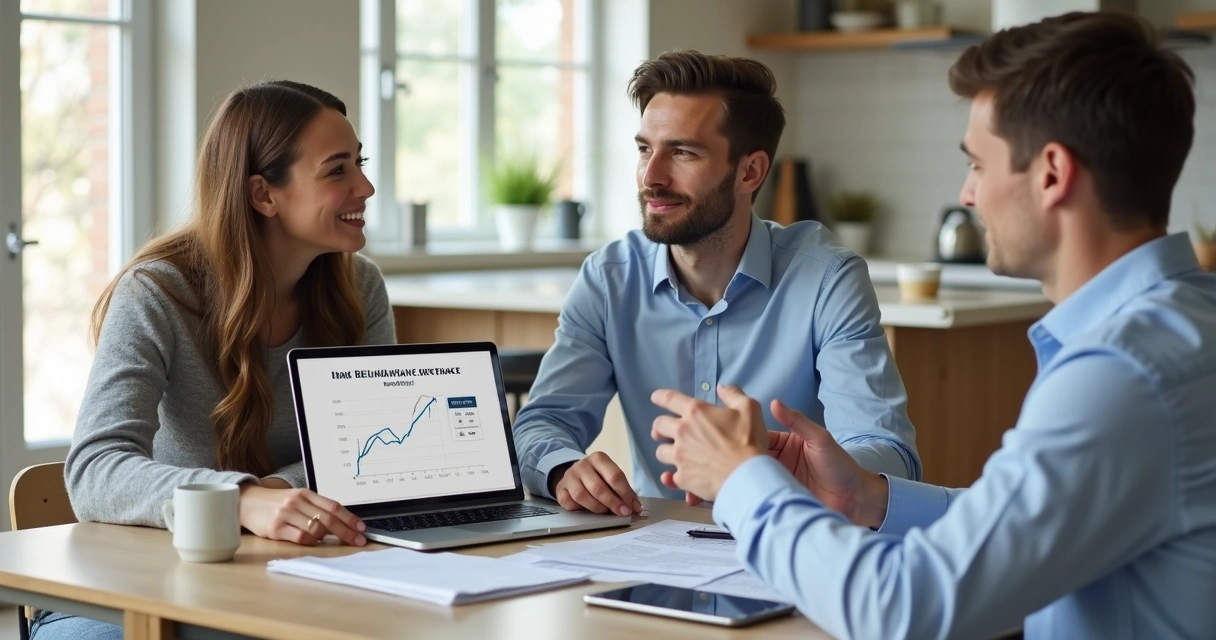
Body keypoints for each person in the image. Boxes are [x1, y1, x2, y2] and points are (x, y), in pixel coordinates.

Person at [650, 12, 1216, 640]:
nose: (967, 195)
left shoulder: (1121, 375)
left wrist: (740, 480)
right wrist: (867, 497)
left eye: (978, 164)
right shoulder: (1185, 323)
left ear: (1053, 174)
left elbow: (905, 610)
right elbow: (1023, 522)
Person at [34, 80, 393, 640]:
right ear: (263, 195)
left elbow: (377, 447)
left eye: (360, 164)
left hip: (295, 576)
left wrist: (277, 496)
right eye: (337, 170)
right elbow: (94, 468)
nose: (366, 187)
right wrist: (238, 500)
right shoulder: (157, 292)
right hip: (138, 587)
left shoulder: (360, 288)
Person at [511, 50, 920, 517]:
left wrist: (818, 472)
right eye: (645, 149)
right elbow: (544, 423)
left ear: (750, 172)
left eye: (682, 152)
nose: (651, 177)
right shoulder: (609, 278)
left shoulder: (826, 278)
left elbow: (889, 454)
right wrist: (566, 470)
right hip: (656, 557)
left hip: (793, 544)